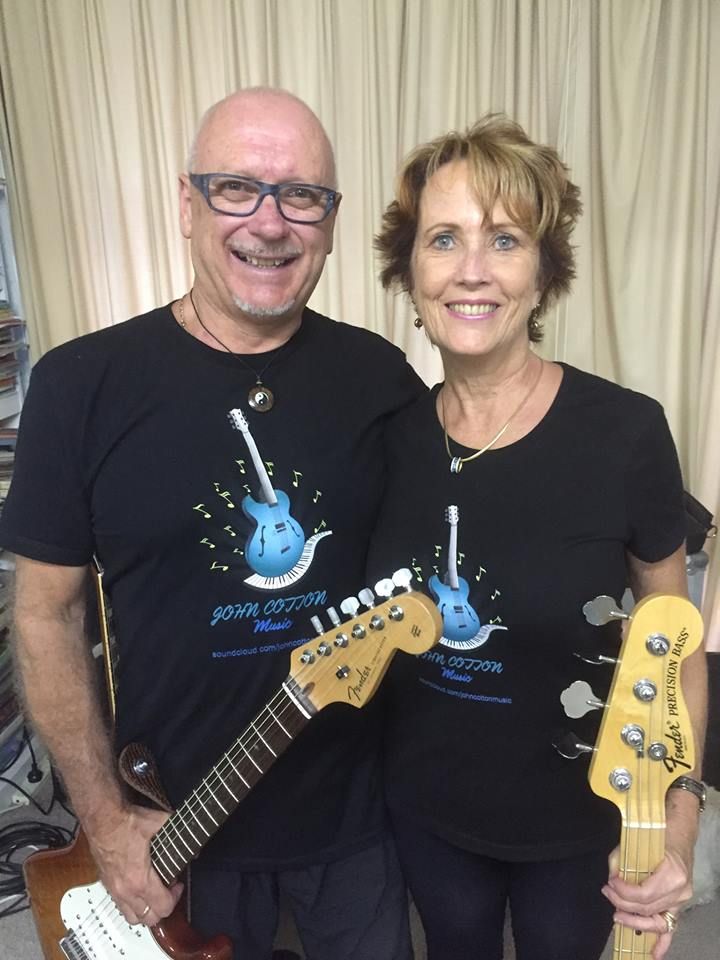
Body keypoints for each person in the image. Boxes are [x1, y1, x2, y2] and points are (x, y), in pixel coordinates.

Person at [0, 88, 425, 959]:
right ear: (187, 205)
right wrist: (104, 822)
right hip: (172, 834)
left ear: (331, 222)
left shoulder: (382, 380)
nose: (269, 223)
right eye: (236, 188)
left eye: (301, 195)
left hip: (354, 828)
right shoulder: (80, 387)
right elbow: (45, 615)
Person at [369, 114, 708, 960]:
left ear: (543, 271)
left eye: (505, 239)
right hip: (427, 812)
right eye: (444, 239)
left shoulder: (625, 433)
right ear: (410, 270)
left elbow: (677, 650)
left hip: (579, 823)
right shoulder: (387, 438)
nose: (472, 270)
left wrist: (679, 821)